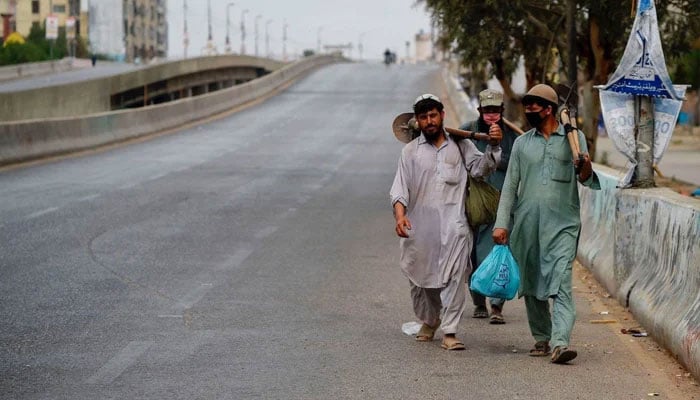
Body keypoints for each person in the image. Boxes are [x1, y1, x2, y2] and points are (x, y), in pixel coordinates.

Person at [492, 84, 600, 364]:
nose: (528, 111)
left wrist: (584, 165)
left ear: (549, 109)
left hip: (562, 225)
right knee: (531, 281)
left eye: (533, 106)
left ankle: (560, 342)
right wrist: (502, 224)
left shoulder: (574, 139)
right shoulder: (521, 144)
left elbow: (587, 178)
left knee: (560, 281)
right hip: (527, 225)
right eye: (526, 106)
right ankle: (542, 336)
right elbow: (510, 187)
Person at [390, 94, 502, 350]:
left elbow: (480, 169)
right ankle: (430, 320)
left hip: (455, 228)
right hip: (419, 231)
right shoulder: (410, 152)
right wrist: (400, 215)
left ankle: (450, 331)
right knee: (420, 279)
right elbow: (399, 188)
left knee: (453, 278)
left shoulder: (461, 146)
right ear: (418, 121)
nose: (429, 121)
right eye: (424, 117)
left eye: (433, 115)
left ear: (442, 115)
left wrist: (494, 147)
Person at [458, 89, 519, 324]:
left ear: (502, 112)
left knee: (500, 251)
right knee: (473, 254)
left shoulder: (513, 136)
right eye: (487, 111)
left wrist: (497, 151)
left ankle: (497, 305)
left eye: (495, 111)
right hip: (473, 201)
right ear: (480, 111)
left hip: (503, 202)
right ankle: (478, 301)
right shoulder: (467, 131)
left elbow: (517, 164)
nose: (491, 115)